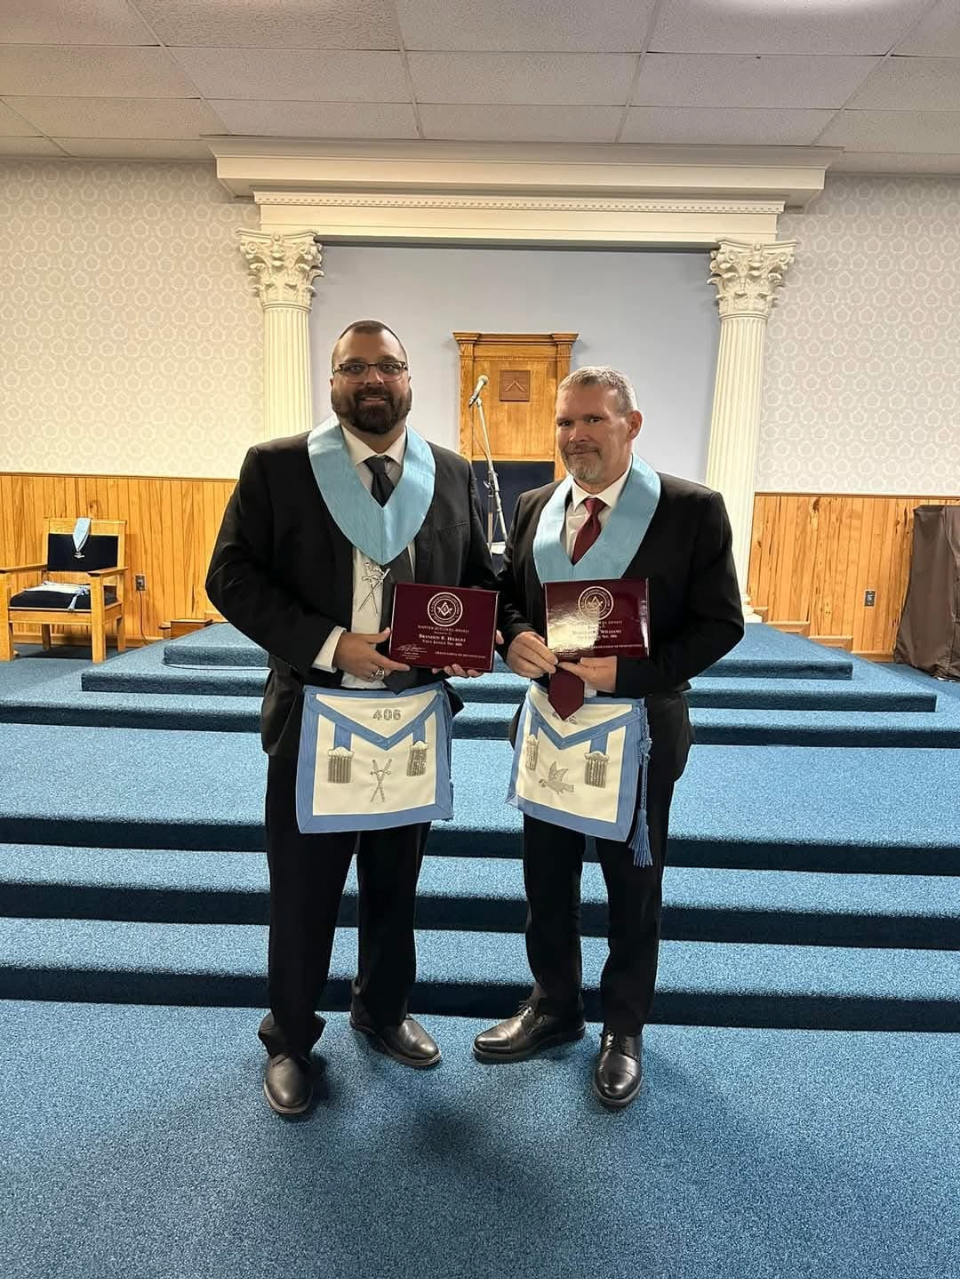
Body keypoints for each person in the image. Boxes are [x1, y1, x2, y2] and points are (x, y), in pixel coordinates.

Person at [207, 320, 495, 1115]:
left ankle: (383, 1009)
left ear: (411, 379)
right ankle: (293, 1036)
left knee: (395, 884)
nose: (373, 379)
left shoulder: (453, 472)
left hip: (410, 718)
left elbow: (475, 580)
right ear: (331, 381)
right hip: (315, 713)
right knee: (303, 887)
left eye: (389, 366)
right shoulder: (278, 468)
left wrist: (486, 638)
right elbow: (229, 577)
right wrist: (335, 644)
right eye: (354, 367)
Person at [474, 366, 744, 1108]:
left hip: (640, 729)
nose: (576, 435)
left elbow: (723, 623)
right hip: (550, 726)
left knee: (632, 886)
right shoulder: (535, 505)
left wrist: (629, 676)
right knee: (546, 879)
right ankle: (555, 1005)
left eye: (593, 419)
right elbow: (507, 603)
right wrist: (515, 636)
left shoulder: (691, 509)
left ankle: (623, 1027)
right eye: (565, 422)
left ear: (632, 423)